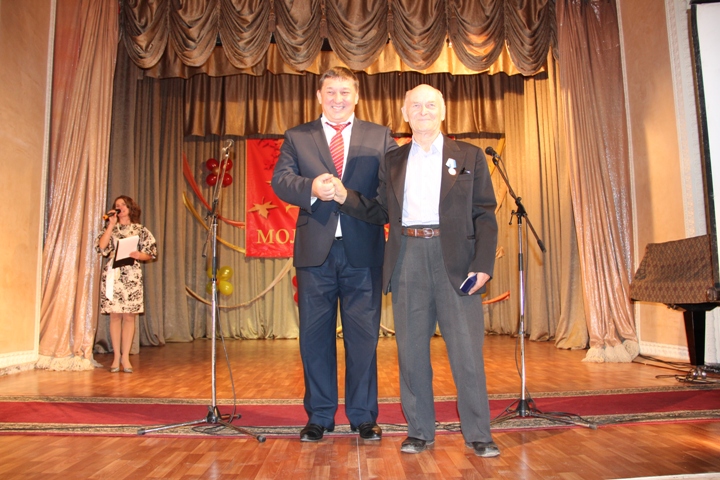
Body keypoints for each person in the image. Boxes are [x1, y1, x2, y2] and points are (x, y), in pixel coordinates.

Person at [333, 84, 500, 457]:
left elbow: (485, 214)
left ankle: (479, 433)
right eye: (416, 106)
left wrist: (483, 266)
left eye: (431, 105)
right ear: (405, 114)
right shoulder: (392, 160)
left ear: (443, 111)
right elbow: (380, 210)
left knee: (467, 353)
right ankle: (420, 431)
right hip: (407, 255)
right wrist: (346, 198)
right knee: (411, 353)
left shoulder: (470, 156)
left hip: (457, 261)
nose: (424, 111)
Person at [271, 67, 398, 442]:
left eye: (345, 92)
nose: (338, 98)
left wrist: (348, 197)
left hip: (364, 254)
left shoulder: (380, 136)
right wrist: (311, 187)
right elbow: (281, 180)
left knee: (363, 340)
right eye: (330, 92)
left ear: (356, 97)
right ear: (319, 96)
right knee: (314, 340)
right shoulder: (298, 136)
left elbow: (390, 194)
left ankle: (363, 416)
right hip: (315, 255)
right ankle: (320, 416)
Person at [96, 195, 157, 373]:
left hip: (131, 275)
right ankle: (116, 357)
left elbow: (151, 252)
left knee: (129, 317)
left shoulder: (140, 229)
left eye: (123, 204)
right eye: (117, 205)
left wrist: (140, 255)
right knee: (115, 316)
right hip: (113, 274)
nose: (120, 207)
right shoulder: (110, 228)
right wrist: (110, 225)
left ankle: (125, 357)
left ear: (130, 208)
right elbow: (101, 247)